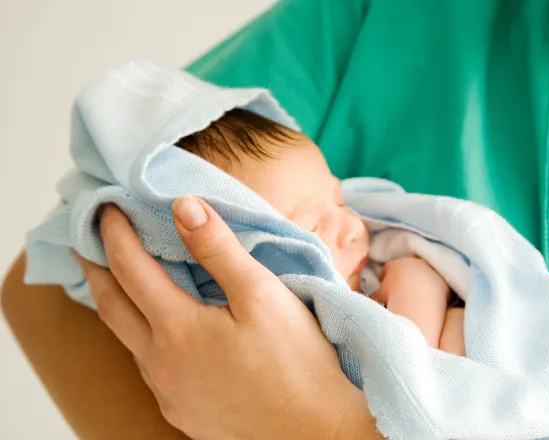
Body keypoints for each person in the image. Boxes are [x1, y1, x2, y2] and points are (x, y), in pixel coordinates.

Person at [2, 0, 549, 438]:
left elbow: (419, 337)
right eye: (317, 216)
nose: (349, 228)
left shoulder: (403, 260)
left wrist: (309, 425)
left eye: (342, 206)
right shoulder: (400, 16)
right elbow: (55, 289)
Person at [175, 107, 466, 354]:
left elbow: (415, 368)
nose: (353, 227)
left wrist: (413, 281)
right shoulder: (269, 339)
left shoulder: (379, 273)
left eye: (340, 202)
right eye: (314, 227)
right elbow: (407, 368)